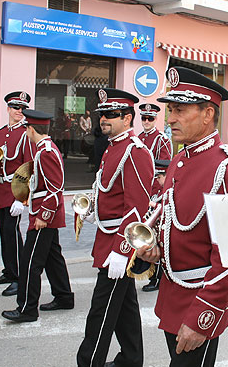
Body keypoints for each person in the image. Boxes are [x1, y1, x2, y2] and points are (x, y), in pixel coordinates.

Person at [137, 66, 228, 366]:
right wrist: (158, 251)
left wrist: (204, 316)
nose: (170, 118)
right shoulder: (180, 159)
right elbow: (182, 226)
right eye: (170, 109)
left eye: (180, 110)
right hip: (172, 296)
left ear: (207, 115)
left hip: (199, 300)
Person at [76, 88, 154, 367]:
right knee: (124, 307)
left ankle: (88, 361)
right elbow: (110, 193)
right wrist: (92, 210)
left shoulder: (135, 151)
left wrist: (123, 250)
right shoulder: (113, 147)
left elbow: (137, 207)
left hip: (118, 243)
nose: (104, 119)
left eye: (112, 114)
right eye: (102, 114)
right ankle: (131, 359)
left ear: (128, 118)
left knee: (101, 309)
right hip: (106, 237)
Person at [1, 109, 74, 323]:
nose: (25, 133)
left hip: (43, 216)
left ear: (31, 129)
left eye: (26, 129)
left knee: (30, 262)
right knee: (53, 258)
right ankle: (64, 296)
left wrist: (44, 215)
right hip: (44, 213)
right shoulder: (44, 149)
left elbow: (55, 187)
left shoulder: (46, 152)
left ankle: (27, 308)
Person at [0, 91, 35, 297]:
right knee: (3, 233)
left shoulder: (26, 133)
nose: (19, 112)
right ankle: (9, 270)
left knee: (12, 234)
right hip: (2, 188)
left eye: (22, 109)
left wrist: (22, 198)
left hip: (16, 189)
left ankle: (18, 277)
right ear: (8, 108)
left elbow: (29, 168)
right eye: (15, 108)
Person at [142, 158, 171, 293]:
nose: (157, 180)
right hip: (156, 225)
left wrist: (155, 205)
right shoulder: (160, 189)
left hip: (164, 227)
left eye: (159, 177)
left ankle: (158, 280)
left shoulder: (170, 189)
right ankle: (154, 278)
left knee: (160, 254)